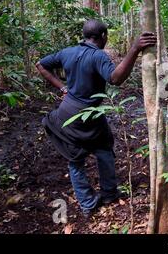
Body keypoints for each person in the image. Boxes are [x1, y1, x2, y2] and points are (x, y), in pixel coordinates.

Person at [35, 19, 156, 217]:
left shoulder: (68, 52)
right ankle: (107, 194)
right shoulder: (98, 56)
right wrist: (134, 49)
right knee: (103, 150)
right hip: (87, 114)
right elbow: (115, 79)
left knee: (78, 158)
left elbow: (40, 64)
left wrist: (62, 87)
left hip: (68, 113)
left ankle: (89, 204)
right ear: (103, 37)